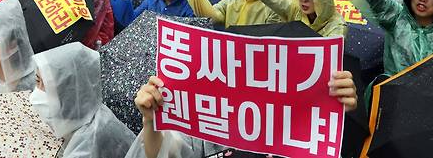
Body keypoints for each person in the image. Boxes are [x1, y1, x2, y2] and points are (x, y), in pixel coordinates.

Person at [129, 70, 358, 158]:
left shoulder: (292, 128)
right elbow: (167, 152)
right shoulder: (207, 118)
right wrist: (151, 122)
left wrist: (334, 113)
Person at [30, 43, 136, 158]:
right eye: (37, 80)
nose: (38, 91)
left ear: (68, 90)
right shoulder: (85, 111)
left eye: (47, 86)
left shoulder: (89, 141)